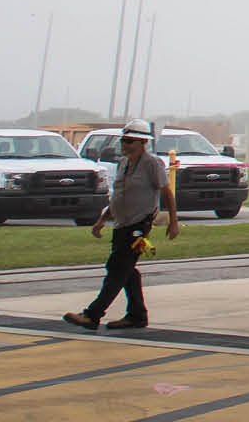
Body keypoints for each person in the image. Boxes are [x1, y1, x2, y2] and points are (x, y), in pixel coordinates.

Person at [65, 120, 178, 331]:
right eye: (123, 140)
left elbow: (166, 192)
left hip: (139, 225)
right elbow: (118, 196)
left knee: (117, 269)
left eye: (129, 141)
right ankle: (137, 315)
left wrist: (173, 221)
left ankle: (93, 315)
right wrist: (102, 219)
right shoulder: (123, 163)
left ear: (143, 142)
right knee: (125, 270)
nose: (124, 145)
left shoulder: (152, 164)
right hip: (121, 224)